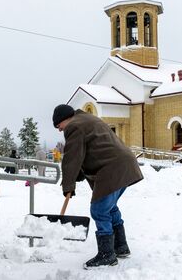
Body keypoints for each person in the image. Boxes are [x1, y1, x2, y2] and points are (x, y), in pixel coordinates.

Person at [52, 104, 143, 268]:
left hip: (112, 168)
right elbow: (87, 151)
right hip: (125, 164)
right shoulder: (87, 119)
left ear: (64, 119)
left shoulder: (74, 126)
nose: (60, 130)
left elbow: (72, 158)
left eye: (58, 126)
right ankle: (120, 246)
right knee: (110, 207)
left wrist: (68, 184)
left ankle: (107, 255)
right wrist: (76, 177)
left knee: (99, 209)